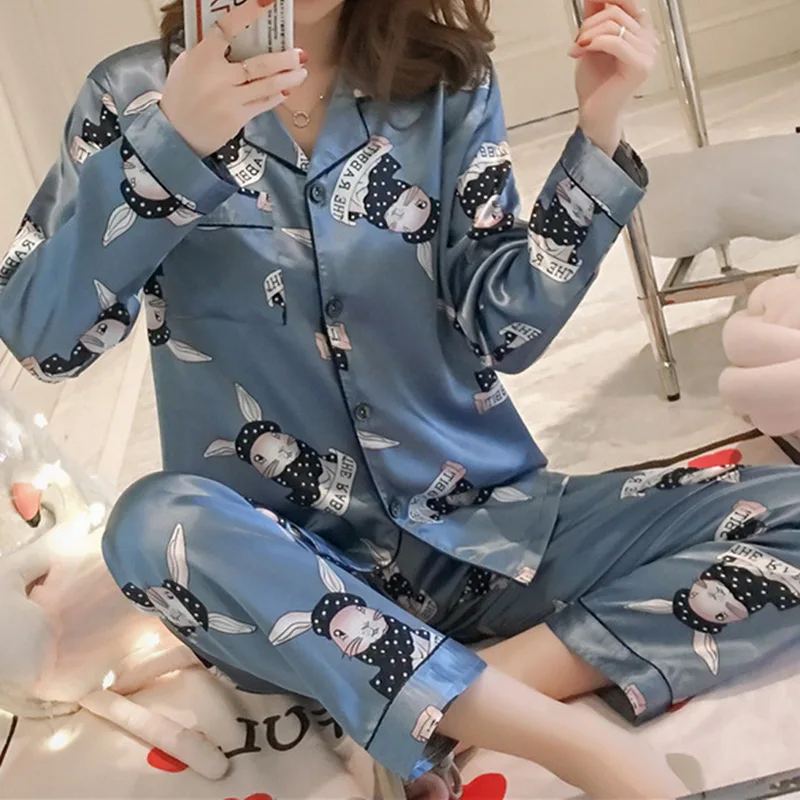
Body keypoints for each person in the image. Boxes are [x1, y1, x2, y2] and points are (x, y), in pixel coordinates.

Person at [2, 0, 797, 796]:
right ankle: (570, 742)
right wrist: (171, 146)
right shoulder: (132, 96)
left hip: (482, 528)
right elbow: (45, 339)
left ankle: (450, 700)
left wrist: (600, 127)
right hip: (288, 577)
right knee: (152, 526)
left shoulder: (441, 82)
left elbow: (507, 329)